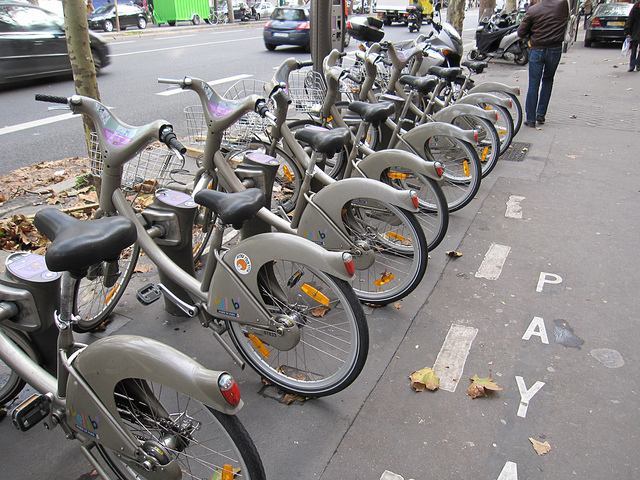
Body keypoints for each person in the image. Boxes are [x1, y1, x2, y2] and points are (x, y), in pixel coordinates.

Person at [517, 0, 569, 127]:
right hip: (555, 49)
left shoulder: (533, 10)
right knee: (548, 80)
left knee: (533, 84)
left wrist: (529, 40)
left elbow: (520, 32)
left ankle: (530, 119)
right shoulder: (563, 5)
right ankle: (540, 114)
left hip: (537, 49)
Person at [624, 1, 640, 72]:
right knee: (634, 48)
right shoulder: (636, 6)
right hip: (636, 31)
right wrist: (627, 31)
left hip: (636, 30)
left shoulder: (636, 6)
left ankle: (638, 64)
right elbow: (630, 19)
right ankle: (632, 65)